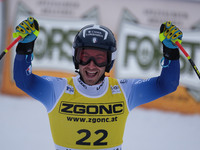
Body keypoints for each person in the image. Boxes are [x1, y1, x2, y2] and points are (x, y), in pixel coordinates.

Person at [13, 17, 181, 150]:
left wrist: (171, 52)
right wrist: (25, 47)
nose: (91, 65)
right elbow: (23, 81)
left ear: (109, 61)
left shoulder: (124, 91)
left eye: (100, 58)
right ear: (76, 58)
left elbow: (166, 85)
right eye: (85, 57)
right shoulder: (57, 90)